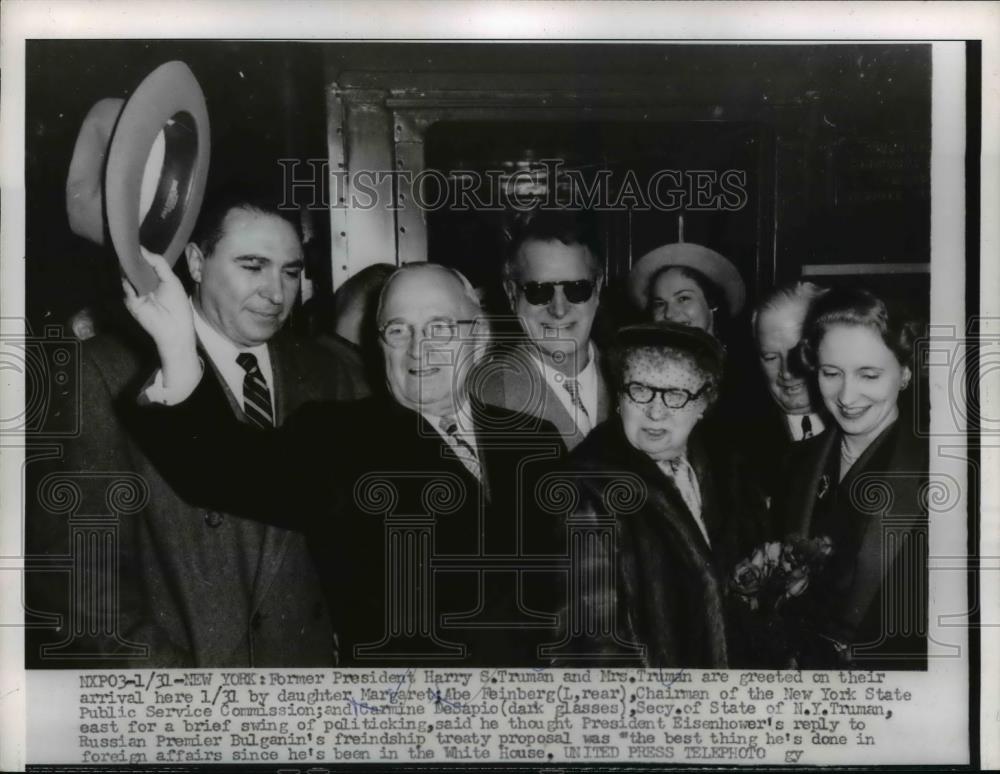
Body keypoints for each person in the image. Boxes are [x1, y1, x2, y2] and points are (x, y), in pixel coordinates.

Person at [121, 258, 565, 666]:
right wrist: (177, 344)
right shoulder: (342, 438)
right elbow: (222, 468)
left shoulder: (535, 441)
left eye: (440, 328)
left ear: (479, 336)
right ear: (380, 346)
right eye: (398, 330)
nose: (417, 348)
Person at [26, 193, 369, 668]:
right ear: (195, 262)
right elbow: (79, 575)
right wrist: (174, 686)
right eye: (253, 266)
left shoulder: (333, 373)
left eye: (291, 272)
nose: (276, 293)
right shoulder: (107, 372)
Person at [558, 322, 766, 667]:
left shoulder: (729, 470)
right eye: (639, 390)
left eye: (676, 395)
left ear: (704, 403)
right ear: (619, 398)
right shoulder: (584, 485)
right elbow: (591, 640)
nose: (656, 411)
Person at [775, 287, 927, 669]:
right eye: (831, 373)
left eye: (869, 374)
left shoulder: (941, 476)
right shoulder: (796, 464)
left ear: (905, 373)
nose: (846, 395)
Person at [473, 210, 611, 451]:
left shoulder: (631, 378)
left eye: (577, 289)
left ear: (597, 289)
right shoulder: (480, 397)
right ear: (511, 294)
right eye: (538, 291)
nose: (559, 309)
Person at [744, 281, 830, 502]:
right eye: (770, 358)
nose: (787, 372)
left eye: (798, 353)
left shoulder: (859, 428)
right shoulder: (739, 450)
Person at [627, 242, 746, 340]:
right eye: (660, 304)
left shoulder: (736, 366)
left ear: (712, 302)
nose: (669, 314)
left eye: (683, 299)